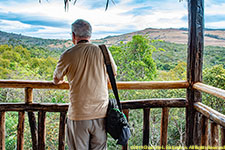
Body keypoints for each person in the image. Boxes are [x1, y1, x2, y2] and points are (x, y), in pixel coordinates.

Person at [53, 19, 117, 150]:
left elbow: (56, 79)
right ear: (90, 35)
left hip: (79, 114)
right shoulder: (103, 51)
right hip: (101, 113)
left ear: (73, 36)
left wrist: (64, 82)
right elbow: (113, 75)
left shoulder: (68, 54)